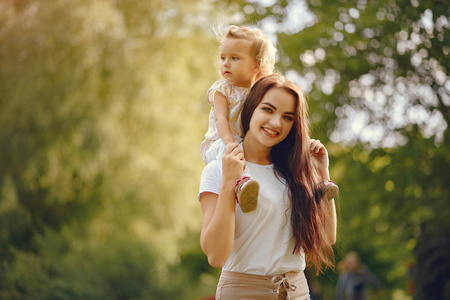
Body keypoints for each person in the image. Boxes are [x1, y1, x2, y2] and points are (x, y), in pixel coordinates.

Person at [198, 74, 338, 299]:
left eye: (287, 117)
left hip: (296, 291)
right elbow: (216, 256)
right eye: (268, 110)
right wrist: (228, 183)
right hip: (243, 292)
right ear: (251, 109)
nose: (276, 123)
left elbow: (327, 236)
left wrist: (322, 173)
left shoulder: (295, 173)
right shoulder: (217, 170)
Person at [200, 25, 277, 213]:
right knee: (229, 156)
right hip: (219, 141)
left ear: (256, 65)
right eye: (223, 57)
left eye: (235, 58)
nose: (226, 63)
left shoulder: (259, 91)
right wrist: (230, 144)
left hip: (242, 143)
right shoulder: (222, 89)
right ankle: (242, 184)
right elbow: (221, 119)